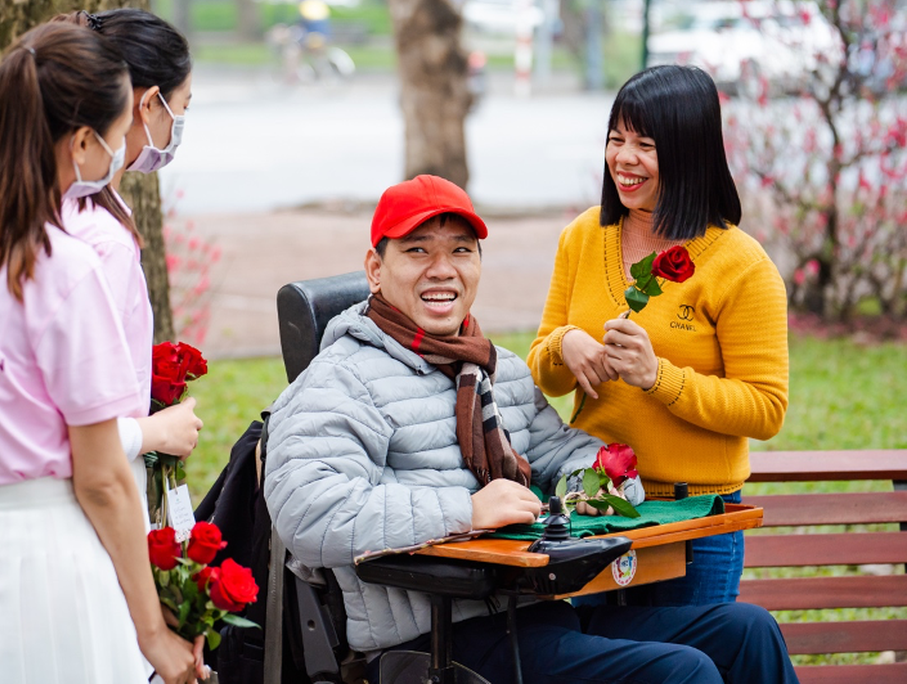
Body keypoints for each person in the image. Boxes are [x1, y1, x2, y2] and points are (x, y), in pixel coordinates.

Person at [263, 174, 798, 684]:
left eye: (460, 250)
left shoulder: (498, 369)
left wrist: (593, 487)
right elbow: (307, 511)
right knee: (683, 674)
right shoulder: (341, 379)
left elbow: (565, 451)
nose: (442, 268)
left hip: (533, 616)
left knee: (746, 632)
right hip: (437, 643)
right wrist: (466, 512)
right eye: (418, 250)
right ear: (375, 269)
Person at [0, 22, 206, 684]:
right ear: (85, 142)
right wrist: (153, 633)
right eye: (121, 131)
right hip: (48, 569)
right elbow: (99, 477)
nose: (126, 147)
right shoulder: (65, 268)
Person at [527, 65, 789, 607]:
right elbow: (542, 370)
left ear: (689, 154)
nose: (624, 158)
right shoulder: (584, 235)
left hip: (694, 522)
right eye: (616, 139)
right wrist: (564, 344)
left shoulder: (741, 265)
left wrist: (659, 378)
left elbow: (765, 409)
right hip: (597, 508)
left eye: (645, 144)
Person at [51, 8, 200, 525]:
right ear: (149, 103)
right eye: (182, 107)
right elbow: (79, 417)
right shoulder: (101, 238)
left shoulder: (56, 208)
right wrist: (157, 432)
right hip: (95, 498)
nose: (180, 125)